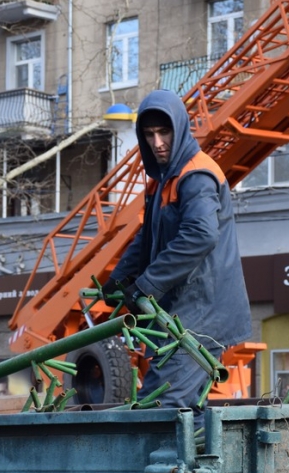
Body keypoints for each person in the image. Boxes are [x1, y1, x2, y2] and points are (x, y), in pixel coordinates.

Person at [102, 89, 252, 429]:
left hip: (203, 314)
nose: (157, 142)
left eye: (164, 132)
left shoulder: (195, 176)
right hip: (180, 314)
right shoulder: (161, 181)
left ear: (180, 129)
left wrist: (148, 284)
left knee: (165, 408)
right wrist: (119, 280)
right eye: (149, 134)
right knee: (171, 409)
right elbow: (147, 238)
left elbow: (201, 235)